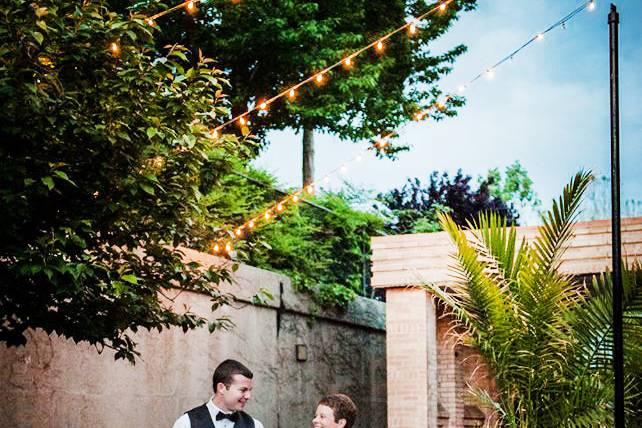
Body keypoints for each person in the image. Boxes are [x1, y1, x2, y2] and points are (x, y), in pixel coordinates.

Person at [172, 359, 264, 428]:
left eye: (249, 390)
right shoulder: (186, 423)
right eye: (243, 390)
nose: (248, 396)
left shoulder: (256, 425)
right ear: (221, 388)